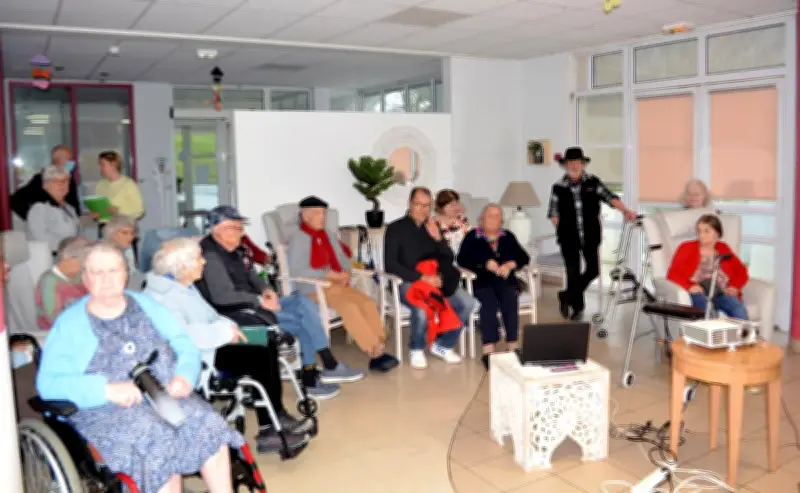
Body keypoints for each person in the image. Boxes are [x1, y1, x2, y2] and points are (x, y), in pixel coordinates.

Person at [36, 243, 242, 493]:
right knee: (156, 438)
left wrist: (184, 376)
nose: (106, 279)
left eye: (113, 270)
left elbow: (183, 344)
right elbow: (48, 384)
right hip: (108, 410)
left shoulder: (147, 304)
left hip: (163, 395)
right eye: (97, 272)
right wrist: (106, 390)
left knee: (209, 424)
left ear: (125, 273)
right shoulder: (70, 323)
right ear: (85, 278)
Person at [144, 237, 310, 454]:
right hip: (198, 356)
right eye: (199, 258)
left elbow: (211, 316)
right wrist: (225, 333)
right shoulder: (164, 297)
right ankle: (269, 429)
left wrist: (230, 328)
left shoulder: (182, 286)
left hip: (211, 344)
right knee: (257, 352)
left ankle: (275, 414)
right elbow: (183, 336)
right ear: (182, 266)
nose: (204, 262)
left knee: (264, 339)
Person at [196, 205, 362, 400]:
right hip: (240, 312)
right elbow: (222, 297)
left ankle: (323, 366)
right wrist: (259, 300)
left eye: (240, 228)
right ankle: (317, 371)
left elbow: (252, 276)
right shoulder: (210, 256)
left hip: (257, 302)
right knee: (304, 321)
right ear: (217, 229)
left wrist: (267, 291)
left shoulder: (236, 250)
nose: (240, 233)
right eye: (234, 228)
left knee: (302, 300)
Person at [288, 196, 399, 373]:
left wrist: (345, 272)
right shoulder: (298, 238)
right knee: (350, 308)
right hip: (315, 288)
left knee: (367, 303)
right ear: (305, 216)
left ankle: (378, 344)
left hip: (338, 285)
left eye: (323, 213)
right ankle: (375, 352)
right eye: (317, 213)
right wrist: (329, 274)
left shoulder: (327, 235)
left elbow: (342, 257)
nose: (322, 217)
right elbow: (297, 270)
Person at [384, 187, 478, 370]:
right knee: (420, 308)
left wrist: (438, 238)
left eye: (427, 206)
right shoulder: (395, 228)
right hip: (407, 281)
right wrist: (422, 278)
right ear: (410, 203)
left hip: (435, 279)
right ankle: (416, 348)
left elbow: (448, 257)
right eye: (419, 205)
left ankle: (442, 345)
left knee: (468, 303)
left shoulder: (432, 226)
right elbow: (391, 265)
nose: (423, 210)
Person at [547, 147, 637, 321]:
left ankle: (566, 295)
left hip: (590, 235)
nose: (574, 166)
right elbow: (554, 213)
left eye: (577, 162)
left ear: (582, 164)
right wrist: (563, 229)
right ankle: (577, 308)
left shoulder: (593, 182)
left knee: (593, 270)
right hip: (568, 238)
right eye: (570, 163)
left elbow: (610, 197)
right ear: (565, 165)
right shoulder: (558, 187)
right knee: (572, 272)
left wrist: (625, 210)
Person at [457, 204, 530, 369]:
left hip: (504, 280)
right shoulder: (472, 236)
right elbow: (462, 259)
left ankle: (513, 346)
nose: (493, 219)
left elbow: (523, 257)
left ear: (501, 221)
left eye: (497, 216)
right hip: (480, 281)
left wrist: (510, 264)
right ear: (481, 219)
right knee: (488, 301)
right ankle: (488, 351)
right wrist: (484, 264)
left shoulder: (507, 236)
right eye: (490, 216)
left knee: (510, 296)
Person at [667, 214, 749, 320]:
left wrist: (734, 287)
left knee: (738, 309)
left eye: (706, 231)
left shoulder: (723, 248)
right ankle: (713, 330)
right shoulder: (686, 247)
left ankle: (744, 331)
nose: (701, 235)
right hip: (700, 292)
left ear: (717, 233)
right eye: (699, 231)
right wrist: (689, 287)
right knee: (709, 314)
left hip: (722, 292)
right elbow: (672, 273)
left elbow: (742, 271)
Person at [10, 144, 81, 220]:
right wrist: (32, 218)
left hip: (65, 223)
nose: (72, 163)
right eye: (68, 159)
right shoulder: (40, 179)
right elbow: (15, 200)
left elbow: (75, 209)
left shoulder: (70, 181)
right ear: (57, 160)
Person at [35, 236, 90, 330]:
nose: (86, 266)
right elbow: (54, 318)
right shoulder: (49, 282)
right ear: (69, 259)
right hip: (59, 330)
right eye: (83, 262)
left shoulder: (80, 275)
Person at [27, 165, 81, 254]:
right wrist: (69, 246)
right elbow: (41, 237)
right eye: (56, 181)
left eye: (65, 180)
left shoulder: (69, 208)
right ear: (45, 185)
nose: (61, 184)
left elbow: (76, 232)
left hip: (70, 253)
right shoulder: (39, 208)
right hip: (48, 257)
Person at [433, 189, 470, 253]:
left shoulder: (462, 219)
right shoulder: (434, 223)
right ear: (441, 208)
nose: (456, 207)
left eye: (456, 203)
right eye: (451, 205)